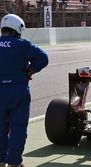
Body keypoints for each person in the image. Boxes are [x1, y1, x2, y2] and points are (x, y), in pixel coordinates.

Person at [0, 14, 48, 167]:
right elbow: (43, 58)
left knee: (0, 128)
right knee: (18, 128)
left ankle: (1, 160)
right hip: (18, 90)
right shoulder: (23, 44)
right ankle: (14, 163)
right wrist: (30, 70)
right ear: (17, 28)